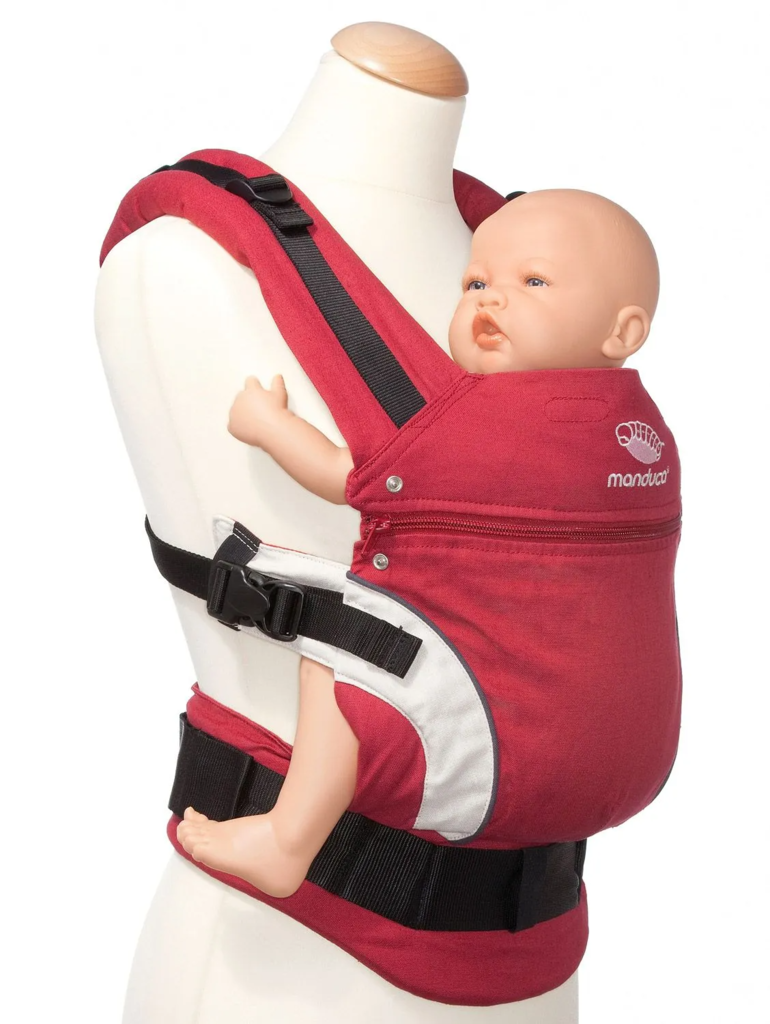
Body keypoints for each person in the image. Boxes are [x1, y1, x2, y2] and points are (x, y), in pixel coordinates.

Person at [176, 187, 661, 897]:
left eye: (533, 282)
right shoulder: (644, 438)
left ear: (623, 332)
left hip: (481, 765)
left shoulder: (464, 427)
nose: (491, 300)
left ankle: (288, 838)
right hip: (624, 757)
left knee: (338, 650)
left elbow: (343, 475)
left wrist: (269, 425)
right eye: (475, 283)